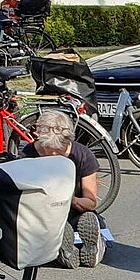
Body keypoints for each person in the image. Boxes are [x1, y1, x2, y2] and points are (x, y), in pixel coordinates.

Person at [20, 110, 104, 268]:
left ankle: (93, 247)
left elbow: (91, 202)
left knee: (88, 220)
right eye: (47, 149)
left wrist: (69, 200)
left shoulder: (82, 155)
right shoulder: (25, 156)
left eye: (58, 150)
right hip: (42, 216)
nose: (52, 155)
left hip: (74, 211)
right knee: (48, 230)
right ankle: (64, 249)